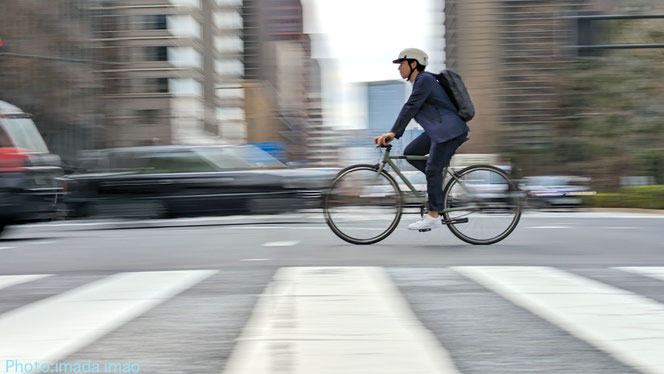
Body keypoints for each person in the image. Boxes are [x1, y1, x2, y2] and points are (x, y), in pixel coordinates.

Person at [374, 48, 470, 231]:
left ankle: (434, 214)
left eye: (401, 64)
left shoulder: (424, 80)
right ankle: (436, 187)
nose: (399, 68)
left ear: (413, 64)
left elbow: (410, 107)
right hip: (439, 130)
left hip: (449, 131)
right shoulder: (422, 81)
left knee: (433, 169)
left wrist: (393, 133)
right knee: (411, 153)